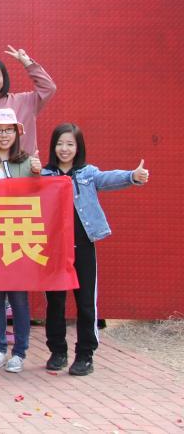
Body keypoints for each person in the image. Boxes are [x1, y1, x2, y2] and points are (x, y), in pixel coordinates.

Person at [41, 123, 149, 377]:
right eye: (60, 144)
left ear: (78, 147)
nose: (64, 149)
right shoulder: (43, 175)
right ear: (53, 147)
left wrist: (133, 176)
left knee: (86, 302)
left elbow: (108, 178)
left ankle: (85, 355)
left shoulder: (88, 173)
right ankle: (58, 352)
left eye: (70, 144)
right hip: (54, 249)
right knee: (55, 302)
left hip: (83, 246)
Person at [0, 108, 42, 373]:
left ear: (17, 133)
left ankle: (20, 352)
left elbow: (41, 195)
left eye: (9, 130)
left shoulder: (27, 163)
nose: (4, 135)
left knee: (19, 298)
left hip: (19, 236)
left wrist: (38, 174)